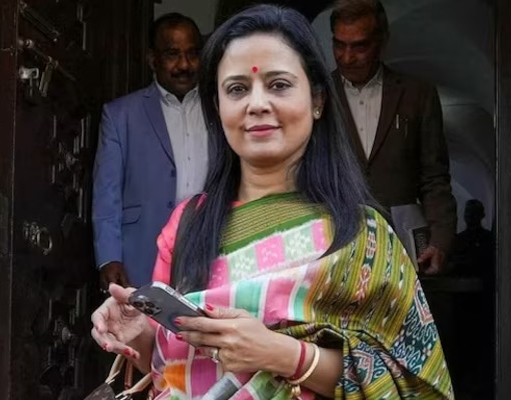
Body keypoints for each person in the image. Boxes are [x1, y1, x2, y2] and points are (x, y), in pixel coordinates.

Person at [91, 5, 453, 399]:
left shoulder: (362, 236)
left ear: (317, 100)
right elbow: (172, 369)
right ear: (217, 107)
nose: (257, 104)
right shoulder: (187, 224)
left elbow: (411, 382)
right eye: (237, 89)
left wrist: (281, 354)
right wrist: (140, 336)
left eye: (279, 85)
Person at [330, 0, 457, 274]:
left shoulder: (417, 95)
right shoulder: (315, 95)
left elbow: (434, 177)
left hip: (402, 247)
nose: (347, 57)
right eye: (339, 45)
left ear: (382, 41)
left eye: (359, 46)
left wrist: (440, 240)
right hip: (334, 243)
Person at [92, 13, 208, 288]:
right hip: (143, 252)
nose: (184, 65)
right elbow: (107, 193)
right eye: (172, 54)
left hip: (208, 250)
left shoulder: (220, 108)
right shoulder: (120, 115)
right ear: (152, 59)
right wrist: (109, 258)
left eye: (192, 54)